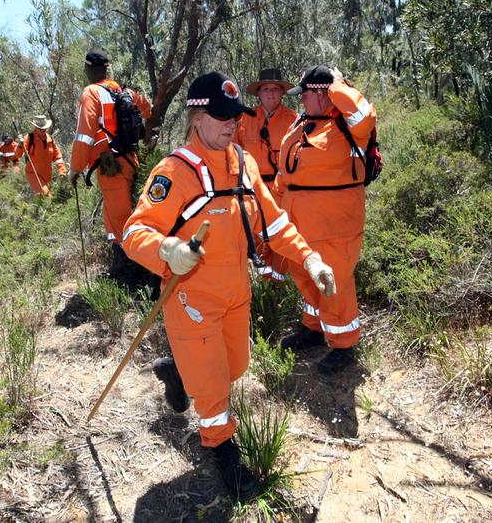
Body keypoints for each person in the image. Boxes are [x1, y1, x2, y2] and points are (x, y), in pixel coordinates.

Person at [121, 72, 336, 500]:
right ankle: (223, 454)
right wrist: (167, 250)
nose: (230, 124)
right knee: (216, 389)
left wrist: (308, 256)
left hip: (237, 293)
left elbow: (273, 221)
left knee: (235, 367)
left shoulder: (244, 163)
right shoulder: (174, 171)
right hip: (191, 301)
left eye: (235, 116)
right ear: (197, 116)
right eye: (220, 116)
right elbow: (134, 232)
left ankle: (180, 374)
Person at [275, 65, 376, 373]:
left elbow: (364, 114)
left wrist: (336, 85)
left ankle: (345, 346)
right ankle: (314, 328)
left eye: (305, 94)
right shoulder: (304, 123)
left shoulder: (349, 125)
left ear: (322, 93)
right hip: (299, 220)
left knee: (335, 283)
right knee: (306, 276)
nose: (301, 100)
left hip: (335, 223)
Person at [69, 48, 152, 277]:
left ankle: (126, 274)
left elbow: (84, 135)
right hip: (130, 159)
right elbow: (147, 107)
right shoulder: (123, 91)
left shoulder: (91, 93)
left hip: (110, 166)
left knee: (119, 218)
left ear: (88, 69)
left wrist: (76, 168)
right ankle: (128, 267)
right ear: (107, 69)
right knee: (118, 213)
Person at [235, 68, 298, 281]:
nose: (270, 93)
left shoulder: (294, 120)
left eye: (275, 89)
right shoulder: (245, 119)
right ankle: (263, 287)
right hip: (253, 189)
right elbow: (234, 153)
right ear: (259, 93)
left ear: (282, 93)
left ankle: (279, 286)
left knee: (280, 235)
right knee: (257, 237)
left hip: (282, 189)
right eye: (266, 89)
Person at [19, 115, 67, 197]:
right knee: (48, 197)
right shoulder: (29, 138)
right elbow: (19, 154)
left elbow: (57, 157)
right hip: (33, 174)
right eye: (40, 128)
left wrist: (62, 170)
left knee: (41, 200)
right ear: (35, 128)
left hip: (47, 177)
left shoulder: (50, 139)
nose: (42, 130)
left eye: (44, 128)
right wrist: (20, 145)